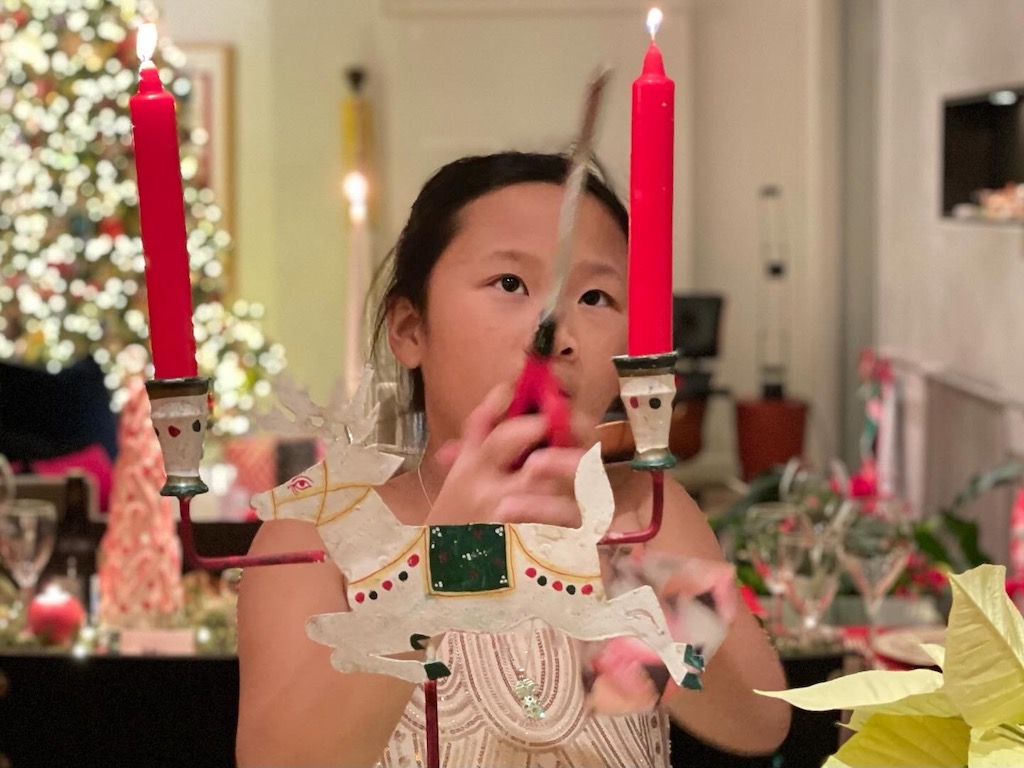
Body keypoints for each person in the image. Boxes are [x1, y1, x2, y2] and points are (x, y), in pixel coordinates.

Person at [236, 152, 790, 767]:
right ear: (410, 329)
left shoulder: (641, 513)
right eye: (510, 284)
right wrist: (444, 559)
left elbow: (759, 721)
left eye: (597, 295)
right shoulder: (316, 530)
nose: (556, 331)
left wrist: (612, 565)